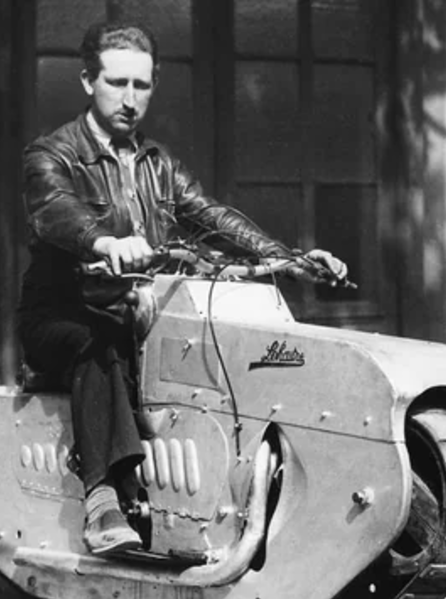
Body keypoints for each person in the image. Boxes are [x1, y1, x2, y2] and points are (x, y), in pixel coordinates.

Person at [18, 21, 347, 556]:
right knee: (98, 342)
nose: (129, 99)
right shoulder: (51, 154)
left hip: (139, 314)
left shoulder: (158, 163)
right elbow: (55, 210)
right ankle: (102, 499)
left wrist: (286, 259)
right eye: (116, 82)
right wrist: (104, 242)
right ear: (86, 81)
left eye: (141, 86)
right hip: (62, 316)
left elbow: (209, 216)